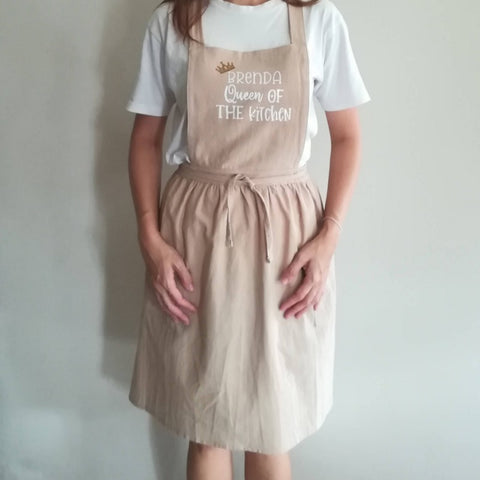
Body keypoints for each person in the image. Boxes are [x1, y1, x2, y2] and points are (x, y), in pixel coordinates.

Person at [125, 0, 371, 478]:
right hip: (198, 231)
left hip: (288, 240)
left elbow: (348, 136)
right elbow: (144, 138)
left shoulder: (318, 19)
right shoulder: (174, 20)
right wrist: (149, 237)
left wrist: (329, 236)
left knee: (273, 419)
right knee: (206, 422)